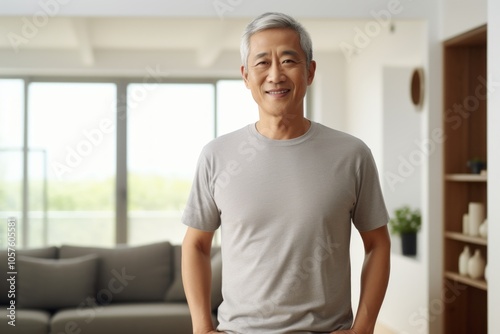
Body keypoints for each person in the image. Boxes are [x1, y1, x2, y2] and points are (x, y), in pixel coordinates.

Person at [181, 12, 391, 334]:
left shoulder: (352, 154)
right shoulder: (216, 155)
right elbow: (195, 245)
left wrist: (363, 329)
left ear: (310, 71)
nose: (275, 75)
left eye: (289, 61)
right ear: (246, 75)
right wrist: (201, 327)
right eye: (262, 63)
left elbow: (377, 244)